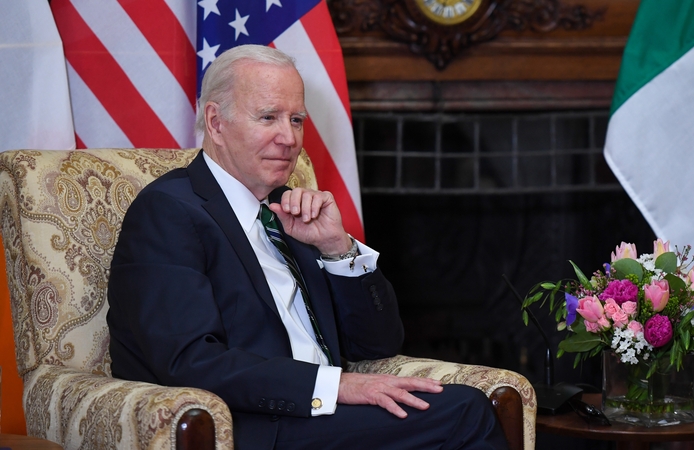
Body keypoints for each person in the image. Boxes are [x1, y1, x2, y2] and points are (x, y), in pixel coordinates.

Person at [106, 44, 508, 449]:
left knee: (461, 407)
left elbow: (377, 345)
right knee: (465, 412)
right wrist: (336, 386)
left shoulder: (292, 209)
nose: (289, 138)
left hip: (321, 416)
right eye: (268, 117)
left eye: (296, 119)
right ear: (216, 122)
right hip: (254, 423)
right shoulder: (169, 211)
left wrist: (337, 248)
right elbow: (189, 361)